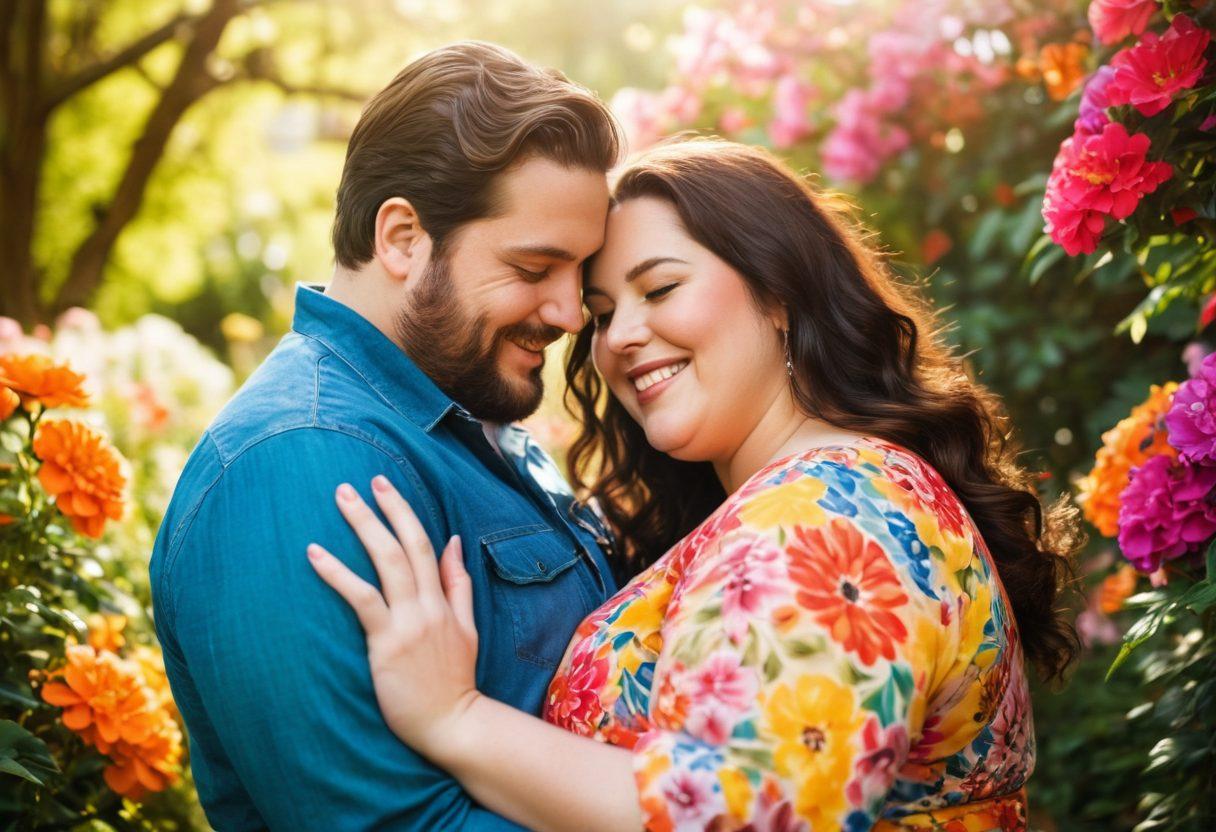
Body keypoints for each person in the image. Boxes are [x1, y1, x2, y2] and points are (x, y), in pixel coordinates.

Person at [309, 138, 1081, 831]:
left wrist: (455, 718)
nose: (618, 338)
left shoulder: (827, 515)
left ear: (778, 293)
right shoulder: (814, 496)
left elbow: (738, 818)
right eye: (604, 312)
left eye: (661, 288)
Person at [148, 42, 623, 830]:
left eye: (580, 273)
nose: (571, 314)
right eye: (536, 267)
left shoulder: (455, 417)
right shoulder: (301, 462)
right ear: (403, 237)